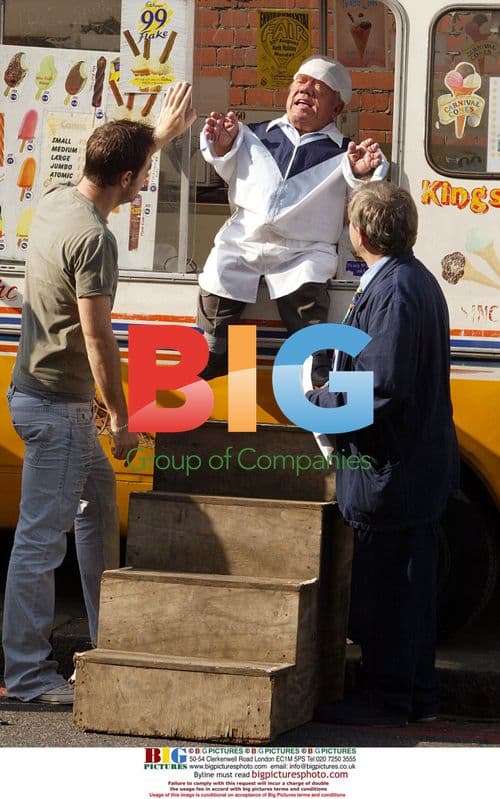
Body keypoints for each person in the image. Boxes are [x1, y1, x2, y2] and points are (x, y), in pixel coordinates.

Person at [3, 83, 196, 704]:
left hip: (45, 397)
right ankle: (30, 676)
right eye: (144, 172)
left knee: (94, 522)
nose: (146, 181)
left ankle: (103, 643)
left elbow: (114, 170)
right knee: (40, 541)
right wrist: (118, 418)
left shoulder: (59, 198)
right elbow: (97, 340)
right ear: (126, 177)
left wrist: (155, 139)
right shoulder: (97, 241)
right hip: (62, 408)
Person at [307, 181, 459, 725]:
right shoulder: (410, 281)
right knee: (409, 592)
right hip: (408, 466)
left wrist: (319, 401)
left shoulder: (394, 290)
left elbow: (382, 384)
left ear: (361, 233)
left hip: (389, 471)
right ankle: (416, 696)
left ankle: (388, 700)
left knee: (387, 593)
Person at [197, 55, 388, 384]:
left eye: (320, 88)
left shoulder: (346, 152)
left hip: (304, 251)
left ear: (337, 109)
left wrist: (361, 174)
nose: (307, 89)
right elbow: (223, 165)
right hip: (244, 241)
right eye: (301, 82)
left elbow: (363, 198)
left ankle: (317, 370)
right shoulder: (252, 135)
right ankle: (213, 353)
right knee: (217, 278)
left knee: (308, 305)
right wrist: (224, 146)